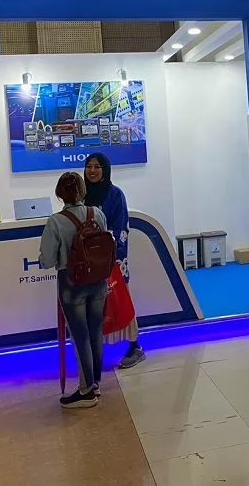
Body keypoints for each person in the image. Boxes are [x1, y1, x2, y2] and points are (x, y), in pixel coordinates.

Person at [39, 172, 110, 409]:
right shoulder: (97, 213)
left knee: (80, 336)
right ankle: (95, 383)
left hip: (72, 284)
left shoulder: (55, 221)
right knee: (96, 331)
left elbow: (47, 259)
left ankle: (86, 390)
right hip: (98, 279)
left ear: (60, 194)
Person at [83, 153, 145, 369]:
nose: (92, 171)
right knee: (93, 308)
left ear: (105, 170)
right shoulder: (81, 195)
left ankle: (135, 347)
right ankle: (94, 351)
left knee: (121, 304)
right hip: (87, 263)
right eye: (89, 166)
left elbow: (121, 228)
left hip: (112, 261)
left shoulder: (115, 194)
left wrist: (110, 256)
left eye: (97, 167)